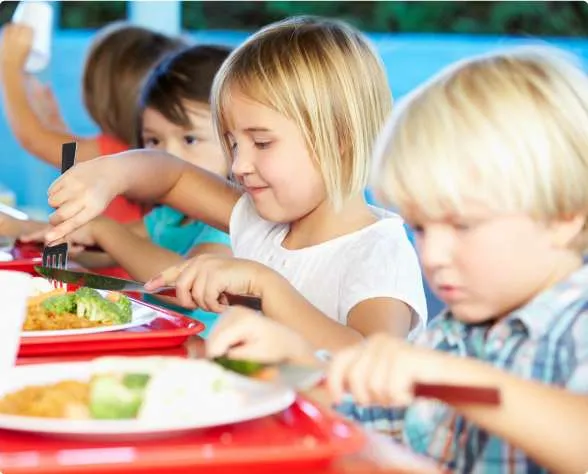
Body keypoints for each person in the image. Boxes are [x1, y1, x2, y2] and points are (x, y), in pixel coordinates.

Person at [205, 45, 588, 473]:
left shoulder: (575, 327)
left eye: (462, 225)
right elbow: (371, 416)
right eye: (421, 228)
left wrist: (455, 380)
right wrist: (293, 367)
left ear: (564, 217)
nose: (433, 255)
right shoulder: (456, 334)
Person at [40, 16, 427, 351]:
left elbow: (370, 360)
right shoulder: (261, 223)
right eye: (232, 143)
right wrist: (109, 174)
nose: (239, 165)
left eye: (261, 143)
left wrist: (266, 286)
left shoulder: (378, 252)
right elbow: (171, 176)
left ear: (339, 138)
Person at [44, 45, 233, 336]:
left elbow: (178, 284)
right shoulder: (170, 215)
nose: (169, 155)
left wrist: (103, 230)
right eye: (154, 141)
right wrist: (67, 235)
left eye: (190, 139)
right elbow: (108, 253)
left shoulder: (232, 222)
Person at [0, 21, 185, 224]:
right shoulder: (142, 153)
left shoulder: (117, 155)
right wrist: (54, 122)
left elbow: (33, 139)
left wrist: (9, 67)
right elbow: (70, 159)